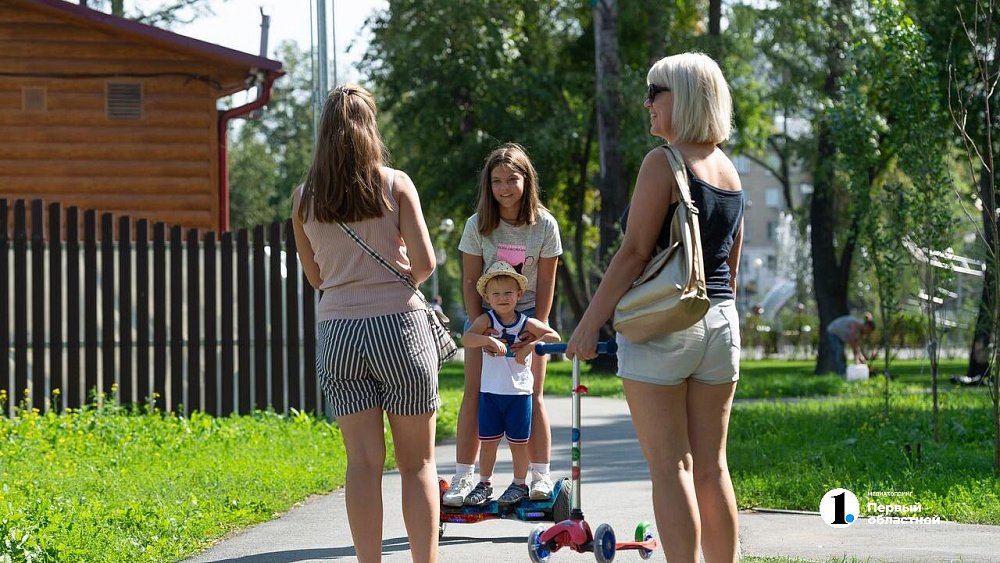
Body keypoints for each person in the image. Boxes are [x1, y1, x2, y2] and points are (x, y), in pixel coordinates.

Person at [565, 53, 745, 563]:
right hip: (720, 322)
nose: (646, 103)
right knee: (713, 468)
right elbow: (731, 266)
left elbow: (634, 253)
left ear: (684, 96)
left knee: (672, 468)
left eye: (655, 91)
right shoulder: (728, 169)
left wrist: (588, 324)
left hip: (665, 326)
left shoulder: (662, 162)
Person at [290, 84, 439, 563]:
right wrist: (395, 280)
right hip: (399, 328)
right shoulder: (396, 183)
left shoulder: (304, 198)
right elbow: (426, 262)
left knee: (362, 465)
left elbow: (316, 276)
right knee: (417, 464)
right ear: (370, 129)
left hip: (339, 333)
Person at [442, 142, 563, 507]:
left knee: (531, 396)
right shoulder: (478, 225)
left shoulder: (544, 225)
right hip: (487, 319)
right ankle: (465, 476)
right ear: (488, 185)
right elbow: (469, 281)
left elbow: (547, 283)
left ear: (527, 180)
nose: (505, 188)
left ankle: (538, 476)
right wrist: (481, 328)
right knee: (476, 395)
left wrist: (535, 330)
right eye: (497, 181)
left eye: (512, 179)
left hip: (528, 319)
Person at [460, 261, 560, 507]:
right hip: (491, 393)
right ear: (487, 297)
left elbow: (553, 336)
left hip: (519, 394)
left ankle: (519, 483)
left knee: (519, 444)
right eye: (496, 294)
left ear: (519, 295)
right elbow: (467, 339)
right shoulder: (487, 320)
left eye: (508, 293)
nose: (502, 298)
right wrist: (487, 341)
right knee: (489, 442)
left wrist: (529, 346)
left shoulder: (526, 323)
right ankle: (484, 483)